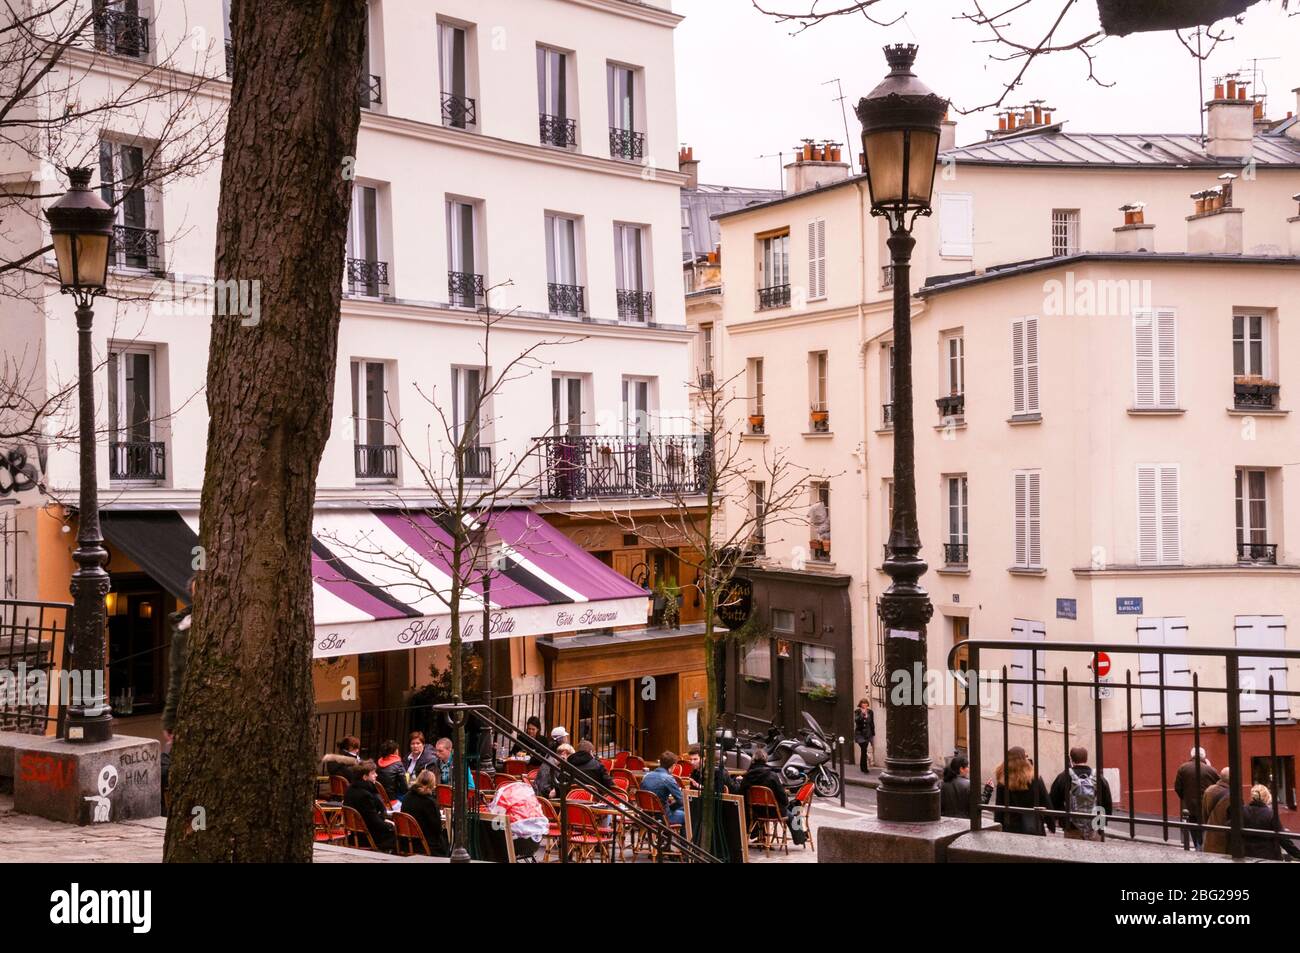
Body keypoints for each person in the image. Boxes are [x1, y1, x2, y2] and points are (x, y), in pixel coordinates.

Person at [1049, 746, 1113, 840]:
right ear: (1086, 759)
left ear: (1071, 759)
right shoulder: (1098, 777)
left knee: (1073, 849)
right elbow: (1107, 802)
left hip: (1072, 826)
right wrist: (1103, 823)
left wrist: (1059, 820)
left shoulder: (1063, 777)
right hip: (1095, 825)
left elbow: (1053, 800)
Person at [990, 746, 1054, 836]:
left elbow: (999, 808)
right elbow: (1046, 802)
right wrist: (1051, 824)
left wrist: (998, 826)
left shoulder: (1003, 781)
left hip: (1010, 827)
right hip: (1032, 826)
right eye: (1026, 756)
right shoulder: (1034, 779)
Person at [490, 779, 550, 862]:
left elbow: (495, 822)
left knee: (493, 830)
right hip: (534, 843)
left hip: (514, 844)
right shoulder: (529, 800)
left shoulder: (504, 800)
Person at [1174, 747, 1219, 851]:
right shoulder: (1211, 770)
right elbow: (1218, 786)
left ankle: (1197, 846)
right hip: (1205, 805)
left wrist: (1185, 798)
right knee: (1205, 827)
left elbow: (1178, 787)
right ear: (1204, 756)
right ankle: (1202, 846)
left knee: (1193, 827)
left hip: (1189, 806)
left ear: (1192, 755)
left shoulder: (1183, 768)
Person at [344, 760, 395, 852]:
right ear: (365, 777)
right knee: (401, 835)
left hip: (355, 835)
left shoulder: (350, 789)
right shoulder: (366, 795)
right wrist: (390, 826)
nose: (376, 775)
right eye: (373, 773)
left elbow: (368, 816)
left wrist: (383, 819)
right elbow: (373, 821)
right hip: (368, 837)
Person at [1239, 784, 1300, 860]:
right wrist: (1298, 854)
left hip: (1247, 855)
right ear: (1267, 797)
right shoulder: (1270, 813)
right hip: (1267, 856)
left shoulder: (1242, 811)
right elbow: (1283, 838)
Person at [737, 748, 792, 828]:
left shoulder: (747, 776)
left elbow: (741, 793)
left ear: (753, 760)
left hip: (754, 812)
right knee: (793, 814)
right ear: (766, 760)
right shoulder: (772, 776)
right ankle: (801, 835)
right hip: (773, 812)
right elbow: (784, 799)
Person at [399, 769, 449, 856]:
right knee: (446, 837)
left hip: (406, 843)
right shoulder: (429, 802)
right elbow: (437, 829)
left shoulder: (407, 796)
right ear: (432, 785)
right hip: (425, 845)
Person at [640, 752, 687, 827]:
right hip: (662, 818)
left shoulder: (646, 776)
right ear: (673, 766)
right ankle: (680, 836)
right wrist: (671, 807)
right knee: (687, 815)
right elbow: (681, 801)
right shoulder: (668, 779)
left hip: (645, 816)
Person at [1202, 767, 1233, 855]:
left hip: (1209, 837)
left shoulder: (1209, 790)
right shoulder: (1233, 796)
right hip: (1225, 842)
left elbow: (1204, 814)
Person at [375, 740, 409, 804]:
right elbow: (404, 789)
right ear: (395, 751)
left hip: (379, 799)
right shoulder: (398, 764)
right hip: (392, 801)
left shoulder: (378, 762)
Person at [940, 754, 971, 819]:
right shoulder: (968, 784)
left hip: (946, 820)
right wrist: (987, 791)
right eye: (967, 767)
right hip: (964, 821)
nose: (968, 769)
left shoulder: (942, 784)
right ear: (961, 769)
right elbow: (977, 806)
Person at [853, 697, 876, 773]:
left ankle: (863, 767)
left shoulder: (870, 712)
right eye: (863, 703)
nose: (864, 705)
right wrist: (862, 714)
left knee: (864, 750)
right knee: (863, 749)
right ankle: (864, 768)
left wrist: (873, 733)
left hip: (868, 734)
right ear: (860, 704)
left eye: (866, 703)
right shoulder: (857, 711)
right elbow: (857, 720)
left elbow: (872, 723)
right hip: (859, 734)